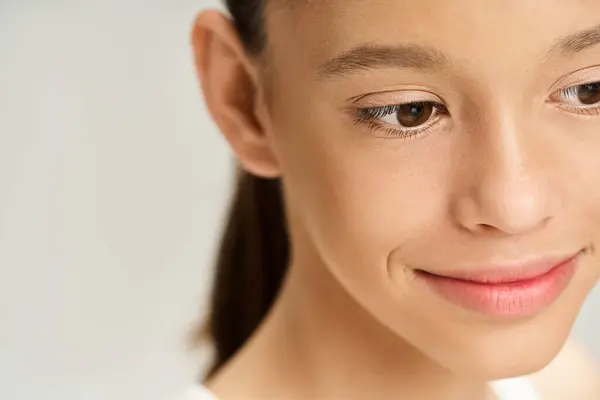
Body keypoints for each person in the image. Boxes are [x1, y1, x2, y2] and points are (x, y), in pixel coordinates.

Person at [186, 0, 600, 398]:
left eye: (588, 91)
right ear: (241, 100)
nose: (515, 209)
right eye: (410, 111)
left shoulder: (567, 387)